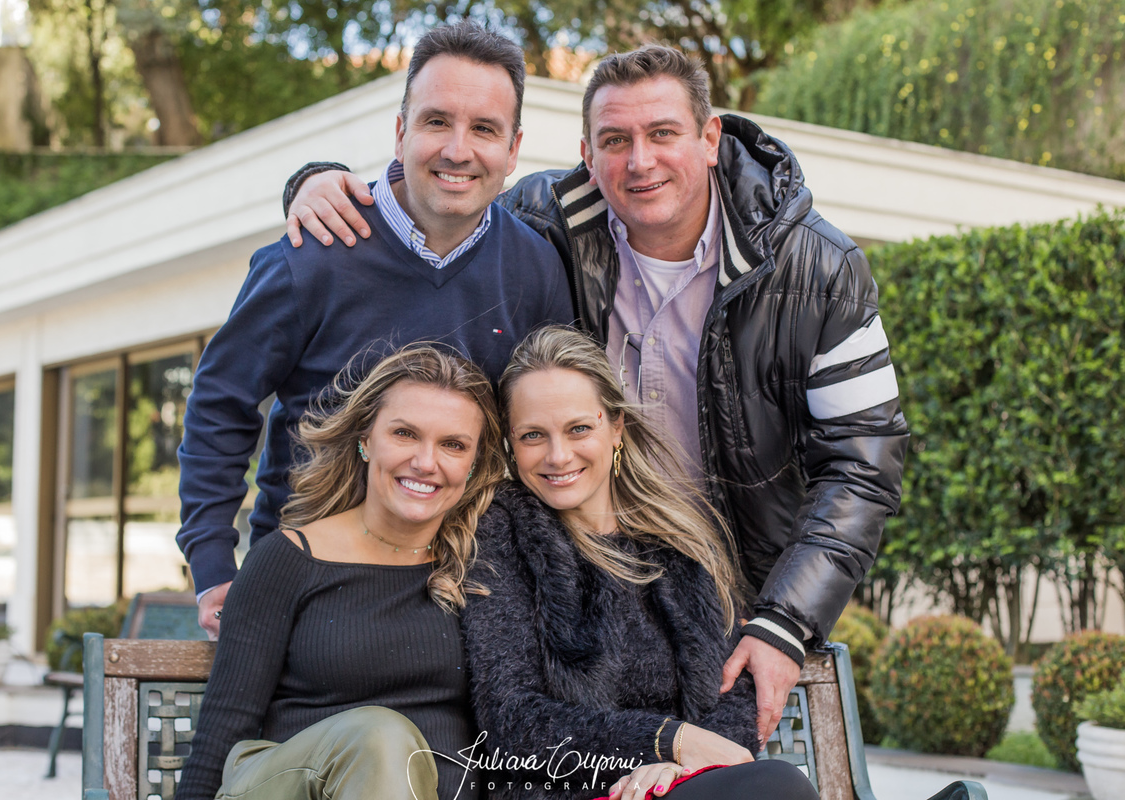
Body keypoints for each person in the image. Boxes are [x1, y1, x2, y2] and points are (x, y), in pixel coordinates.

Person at [283, 44, 909, 740]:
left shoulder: (819, 269)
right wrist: (319, 183)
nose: (640, 161)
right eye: (615, 140)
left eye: (662, 133)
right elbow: (441, 200)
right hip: (572, 602)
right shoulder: (545, 223)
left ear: (710, 137)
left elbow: (864, 462)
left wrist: (785, 620)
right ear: (586, 152)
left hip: (733, 599)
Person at [177, 20, 573, 638]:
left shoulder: (536, 268)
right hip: (304, 592)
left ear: (514, 148)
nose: (458, 150)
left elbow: (549, 433)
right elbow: (220, 404)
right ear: (400, 131)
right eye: (437, 121)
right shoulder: (313, 250)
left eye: (484, 129)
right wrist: (211, 568)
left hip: (462, 599)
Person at [459, 325, 818, 800]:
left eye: (578, 428)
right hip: (571, 791)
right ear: (510, 443)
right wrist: (665, 741)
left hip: (680, 786)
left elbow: (732, 693)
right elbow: (513, 719)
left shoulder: (677, 538)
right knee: (780, 786)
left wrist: (678, 766)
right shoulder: (499, 534)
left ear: (616, 428)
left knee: (776, 786)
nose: (558, 455)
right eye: (532, 435)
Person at [174, 345, 504, 800]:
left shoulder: (483, 570)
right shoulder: (288, 560)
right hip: (291, 788)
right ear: (365, 439)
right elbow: (222, 732)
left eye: (453, 445)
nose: (426, 462)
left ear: (474, 464)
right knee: (380, 737)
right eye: (405, 434)